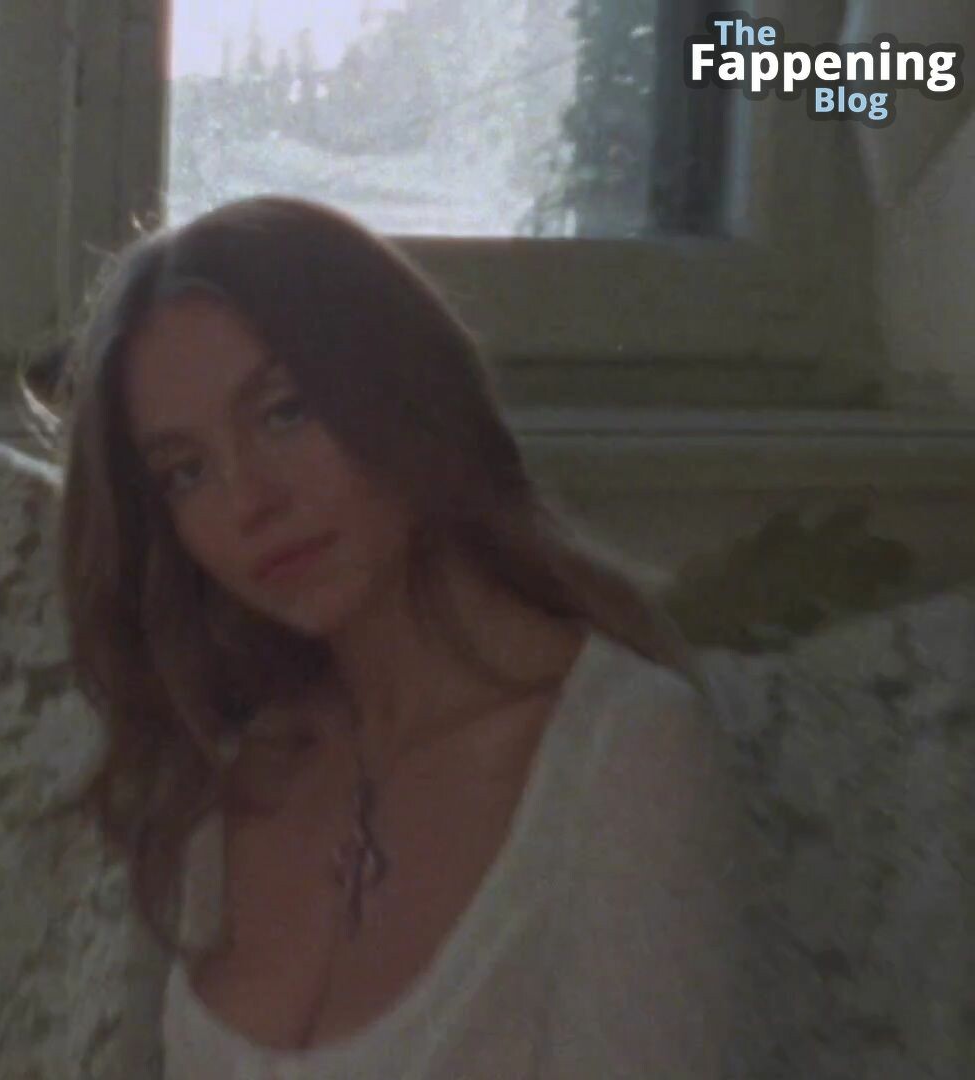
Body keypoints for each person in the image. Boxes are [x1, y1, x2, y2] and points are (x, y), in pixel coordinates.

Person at [46, 195, 754, 1078]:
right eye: (187, 472)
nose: (249, 501)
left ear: (405, 386)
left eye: (284, 413)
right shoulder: (224, 758)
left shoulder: (625, 750)